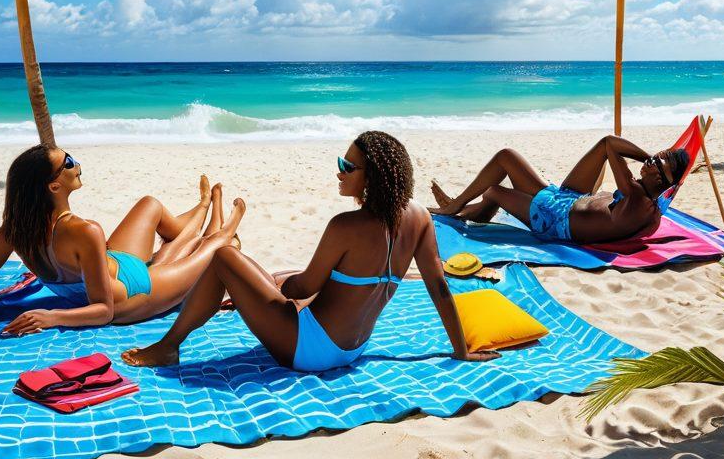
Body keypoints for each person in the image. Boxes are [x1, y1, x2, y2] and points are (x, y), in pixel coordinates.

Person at [123, 130, 496, 372]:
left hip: (309, 351)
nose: (339, 171)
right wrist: (460, 349)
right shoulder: (419, 218)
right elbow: (440, 288)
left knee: (224, 257)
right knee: (260, 276)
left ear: (375, 177)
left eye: (348, 166)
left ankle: (168, 346)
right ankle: (240, 294)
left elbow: (303, 288)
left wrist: (266, 290)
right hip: (353, 350)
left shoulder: (345, 226)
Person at [0, 145, 245, 335]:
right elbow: (104, 311)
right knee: (216, 245)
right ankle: (226, 218)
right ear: (53, 186)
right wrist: (51, 316)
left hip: (115, 263)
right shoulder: (85, 231)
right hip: (134, 294)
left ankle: (204, 205)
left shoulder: (15, 230)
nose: (77, 165)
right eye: (68, 163)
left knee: (151, 206)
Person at [430, 134, 690, 244]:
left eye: (656, 162)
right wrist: (654, 162)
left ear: (660, 181)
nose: (650, 161)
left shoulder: (635, 195)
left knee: (495, 191)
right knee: (506, 157)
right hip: (567, 200)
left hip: (554, 221)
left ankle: (459, 209)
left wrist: (645, 157)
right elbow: (605, 144)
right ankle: (463, 206)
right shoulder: (649, 204)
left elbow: (612, 143)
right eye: (653, 157)